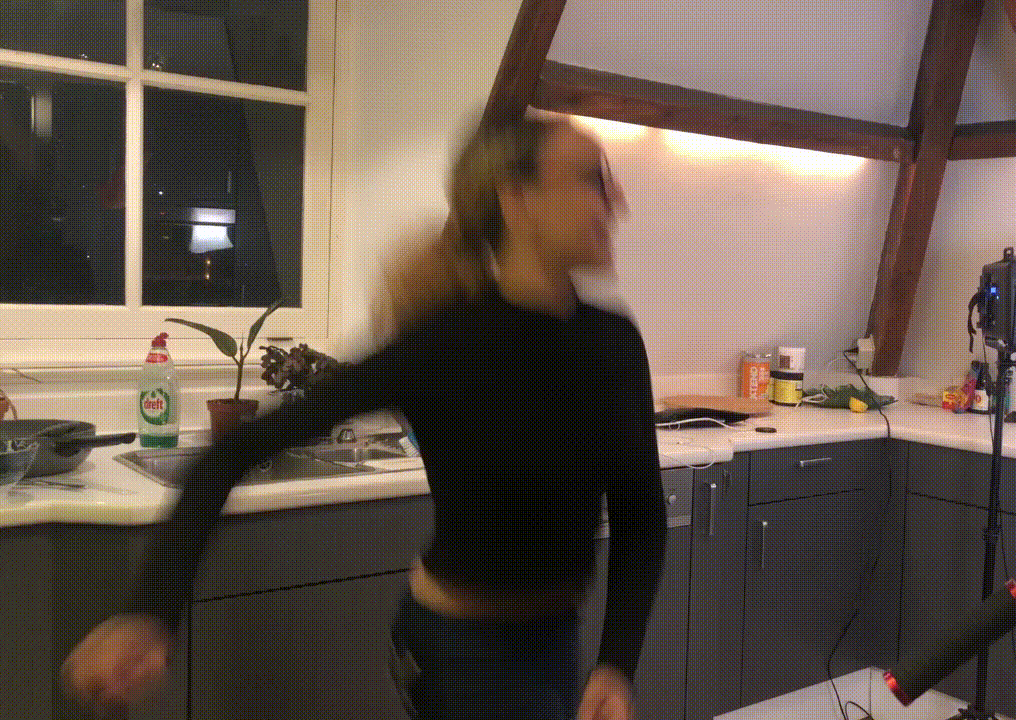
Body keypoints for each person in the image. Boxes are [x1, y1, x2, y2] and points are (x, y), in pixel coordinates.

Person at [61, 114, 668, 720]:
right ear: (518, 200)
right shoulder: (446, 343)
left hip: (552, 645)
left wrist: (616, 662)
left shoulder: (611, 343)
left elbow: (640, 515)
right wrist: (151, 613)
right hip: (458, 653)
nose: (613, 201)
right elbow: (231, 453)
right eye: (589, 179)